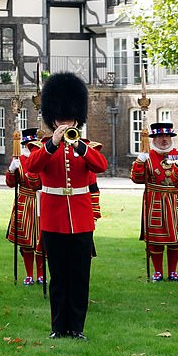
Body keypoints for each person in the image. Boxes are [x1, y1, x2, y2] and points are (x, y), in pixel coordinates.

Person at [25, 72, 107, 340]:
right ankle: (58, 327)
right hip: (53, 218)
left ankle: (77, 328)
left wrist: (79, 147)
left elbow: (100, 166)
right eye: (60, 119)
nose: (64, 123)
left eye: (68, 119)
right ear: (52, 119)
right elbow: (32, 168)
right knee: (58, 277)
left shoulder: (86, 146)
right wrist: (53, 143)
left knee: (80, 277)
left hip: (81, 218)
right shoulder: (44, 147)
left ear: (76, 119)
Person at [131, 122, 178, 282]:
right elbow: (137, 179)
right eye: (160, 136)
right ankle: (157, 271)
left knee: (175, 239)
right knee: (156, 239)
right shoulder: (148, 156)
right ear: (153, 139)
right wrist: (140, 162)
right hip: (155, 200)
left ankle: (172, 271)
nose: (164, 139)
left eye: (167, 136)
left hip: (176, 199)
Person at [6, 128, 45, 285]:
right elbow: (10, 183)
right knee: (25, 241)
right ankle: (29, 274)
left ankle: (41, 274)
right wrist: (11, 170)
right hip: (24, 201)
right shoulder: (19, 159)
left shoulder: (43, 159)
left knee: (40, 240)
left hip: (40, 201)